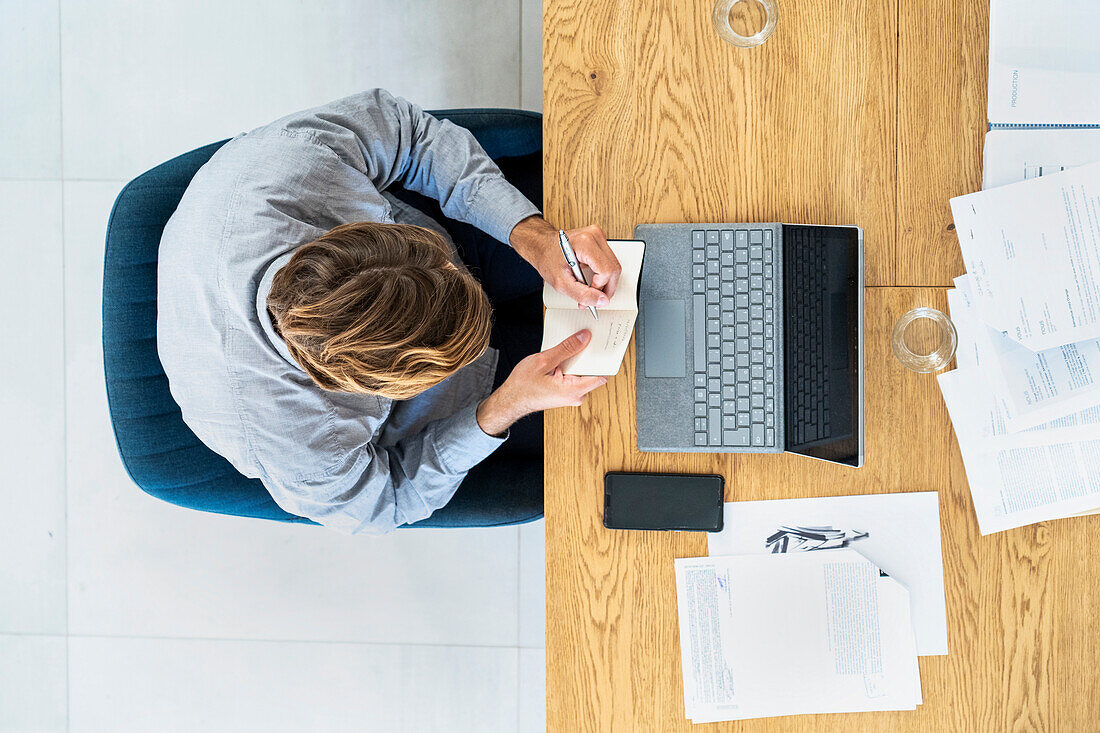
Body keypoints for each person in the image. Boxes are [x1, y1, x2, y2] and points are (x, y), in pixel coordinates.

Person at [157, 89, 621, 534]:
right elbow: (390, 502)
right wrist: (503, 407)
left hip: (445, 242)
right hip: (456, 402)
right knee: (621, 421)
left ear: (358, 237)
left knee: (624, 222)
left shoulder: (292, 166)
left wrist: (530, 236)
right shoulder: (297, 443)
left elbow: (408, 133)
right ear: (363, 388)